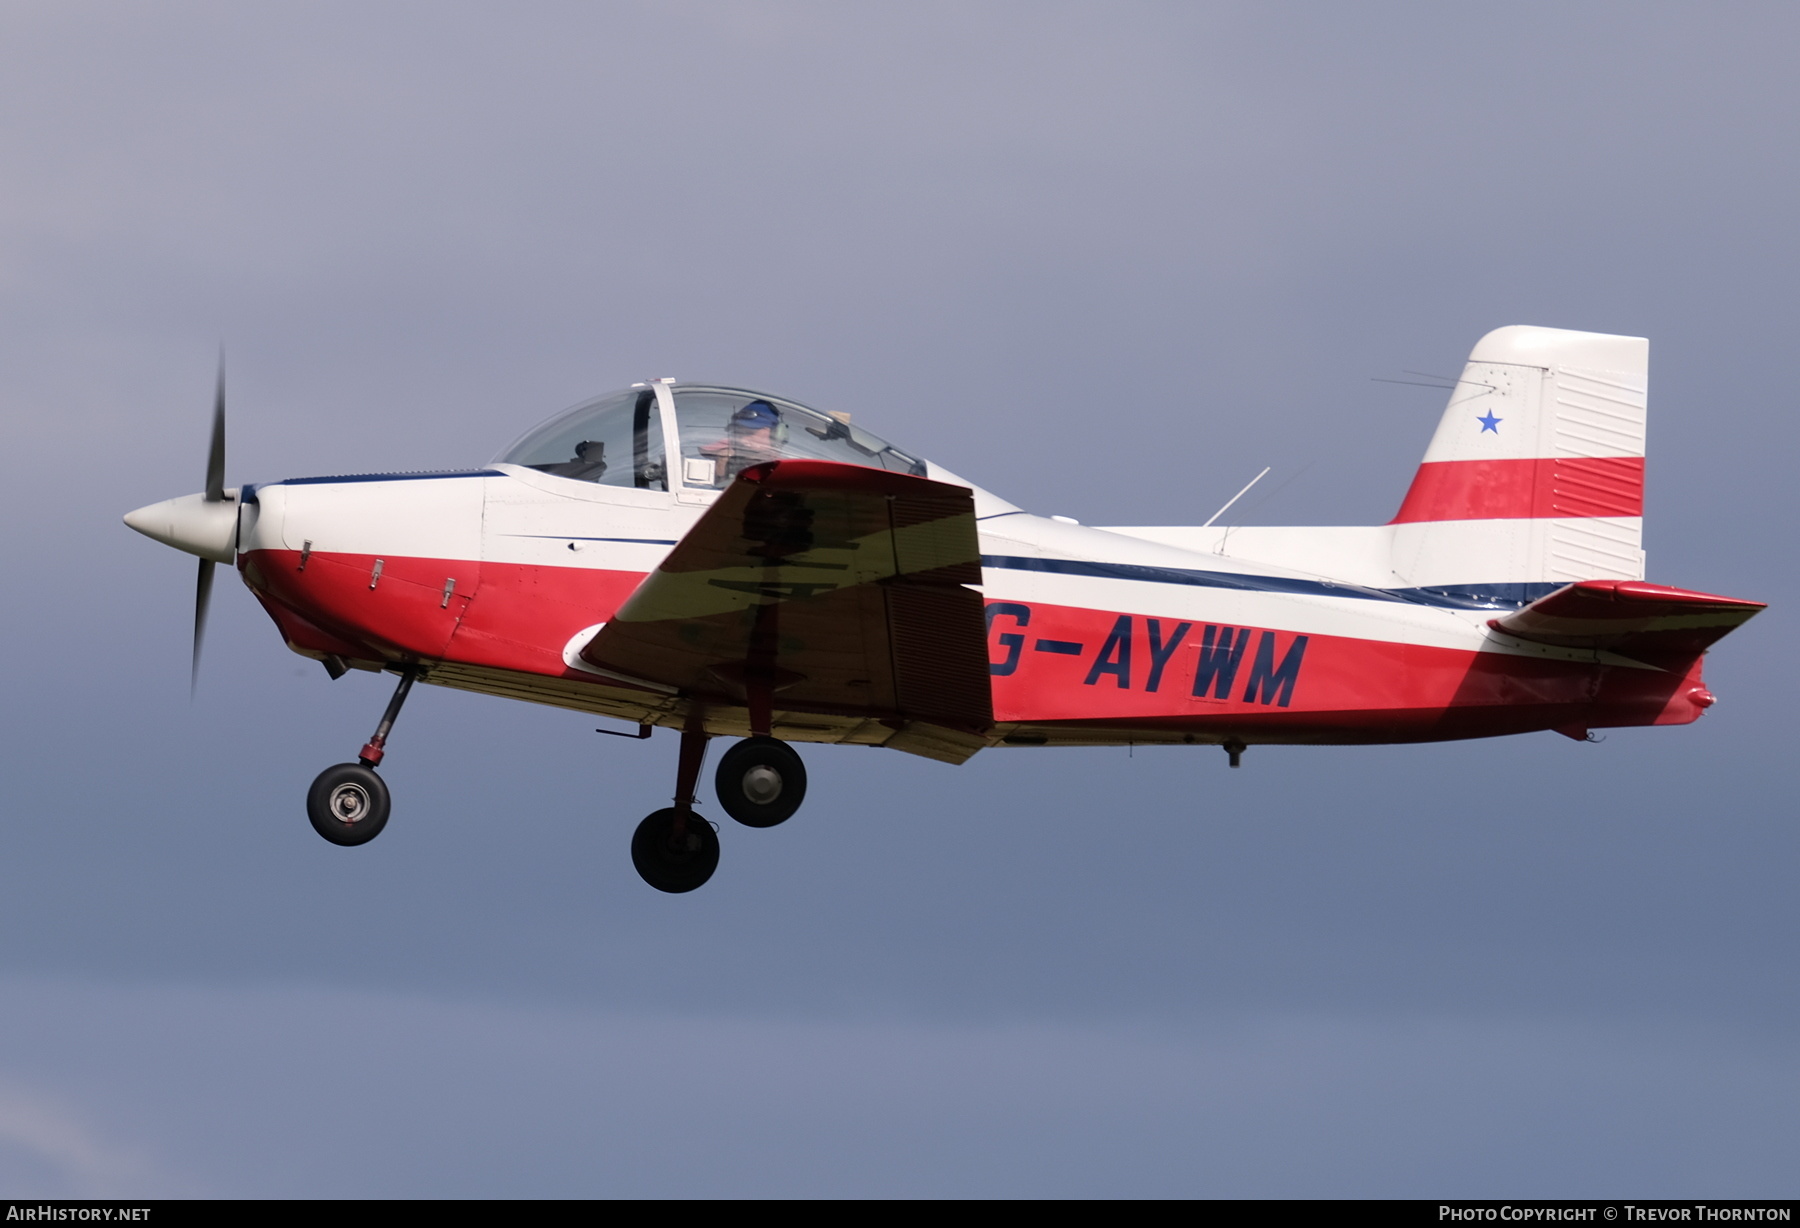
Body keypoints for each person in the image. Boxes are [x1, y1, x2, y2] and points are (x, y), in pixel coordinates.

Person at [699, 399, 785, 486]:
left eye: (751, 433)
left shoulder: (782, 466)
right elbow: (703, 453)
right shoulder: (726, 448)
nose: (744, 440)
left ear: (775, 433)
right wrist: (720, 464)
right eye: (741, 433)